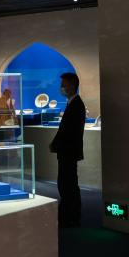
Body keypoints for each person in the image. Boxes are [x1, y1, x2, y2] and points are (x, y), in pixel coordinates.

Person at [49, 72, 85, 228]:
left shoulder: (76, 104)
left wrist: (56, 144)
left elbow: (68, 131)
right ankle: (70, 215)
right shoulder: (73, 103)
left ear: (72, 85)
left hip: (68, 151)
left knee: (67, 184)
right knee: (67, 183)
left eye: (63, 85)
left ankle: (70, 216)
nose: (61, 88)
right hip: (67, 151)